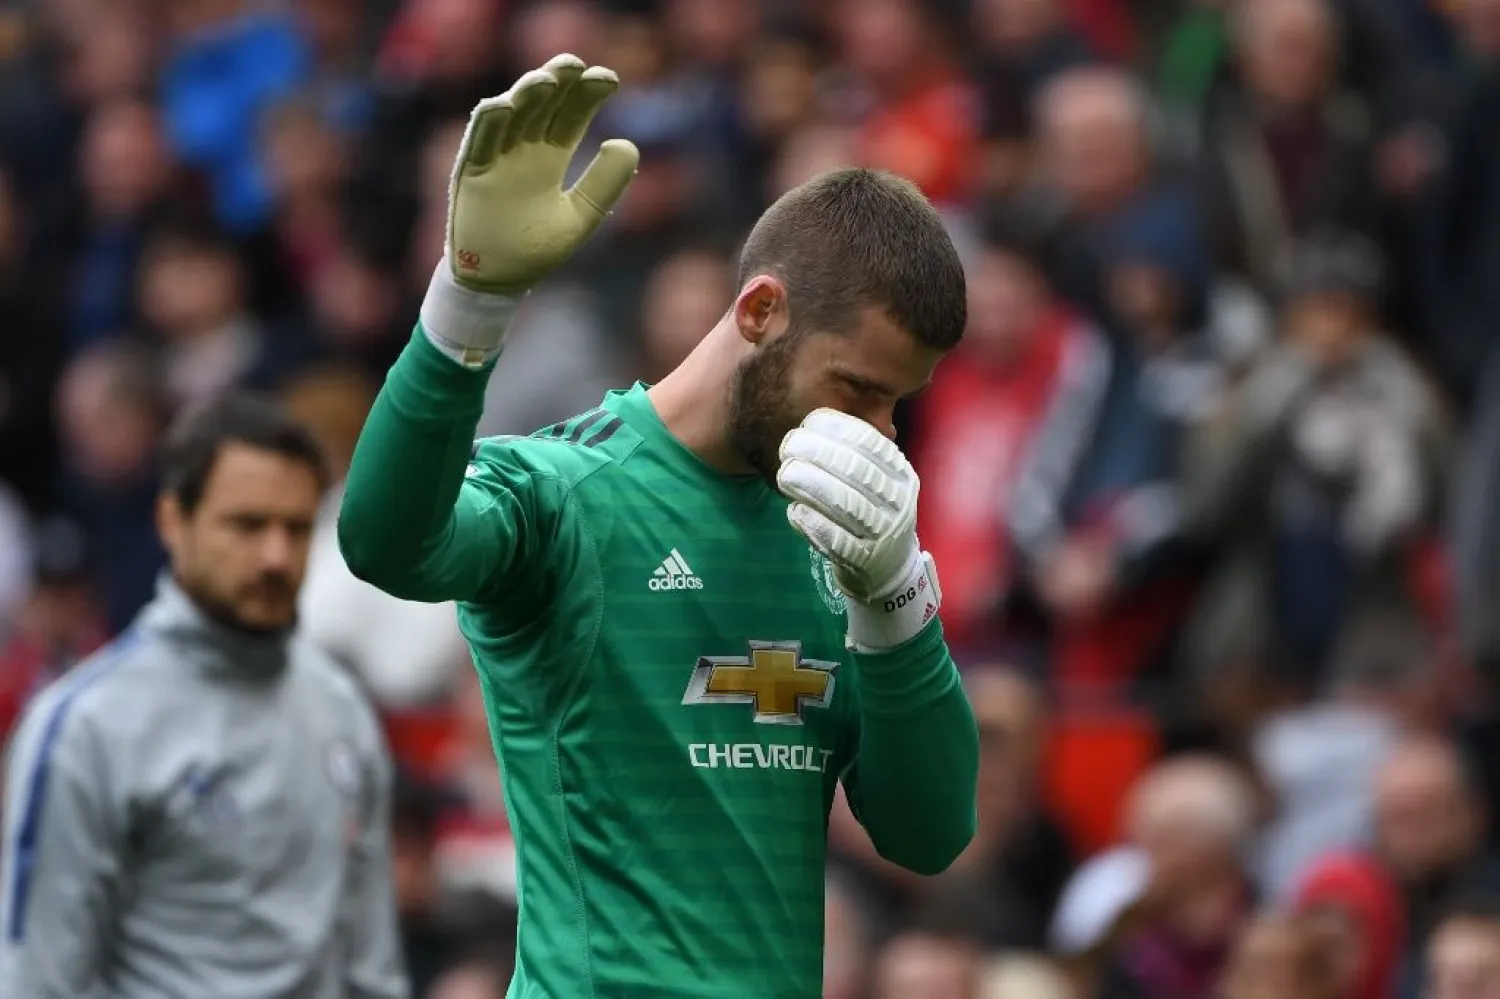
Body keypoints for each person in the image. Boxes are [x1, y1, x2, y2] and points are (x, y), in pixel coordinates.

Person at [338, 53, 980, 996]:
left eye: (899, 403)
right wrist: (466, 305)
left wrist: (895, 601)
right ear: (761, 310)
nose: (881, 435)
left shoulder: (844, 537)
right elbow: (386, 542)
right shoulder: (564, 488)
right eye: (857, 389)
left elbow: (929, 835)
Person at [0, 395, 407, 999]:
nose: (276, 556)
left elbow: (373, 969)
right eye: (247, 525)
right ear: (173, 521)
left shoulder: (342, 710)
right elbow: (39, 980)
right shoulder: (84, 727)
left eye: (296, 528)